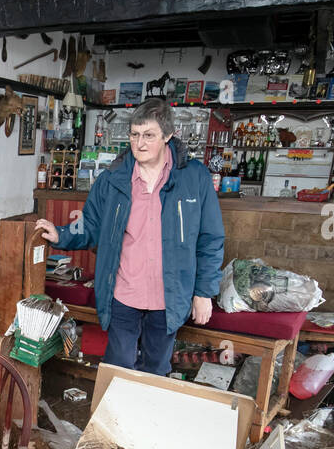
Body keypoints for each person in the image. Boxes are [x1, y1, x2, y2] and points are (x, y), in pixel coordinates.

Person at [35, 99, 224, 375]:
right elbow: (90, 225)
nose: (140, 143)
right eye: (135, 135)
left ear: (168, 135)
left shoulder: (194, 178)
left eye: (149, 135)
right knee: (118, 369)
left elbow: (210, 238)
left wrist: (204, 292)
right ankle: (116, 418)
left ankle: (147, 418)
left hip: (169, 295)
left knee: (156, 371)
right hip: (123, 291)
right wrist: (61, 234)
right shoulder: (112, 179)